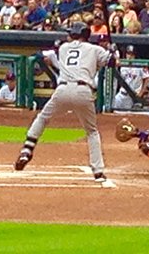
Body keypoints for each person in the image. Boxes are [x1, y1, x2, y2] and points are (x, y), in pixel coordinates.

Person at [14, 22, 116, 182]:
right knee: (92, 131)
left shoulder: (63, 48)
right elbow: (113, 64)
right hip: (84, 91)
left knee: (42, 117)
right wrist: (112, 52)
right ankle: (98, 171)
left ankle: (27, 149)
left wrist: (109, 53)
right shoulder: (95, 49)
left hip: (62, 90)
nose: (68, 35)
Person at [112, 45, 149, 110]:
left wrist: (141, 92)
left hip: (131, 96)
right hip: (121, 94)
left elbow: (147, 79)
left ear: (135, 55)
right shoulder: (122, 64)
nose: (130, 56)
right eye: (128, 53)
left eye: (132, 54)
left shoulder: (140, 65)